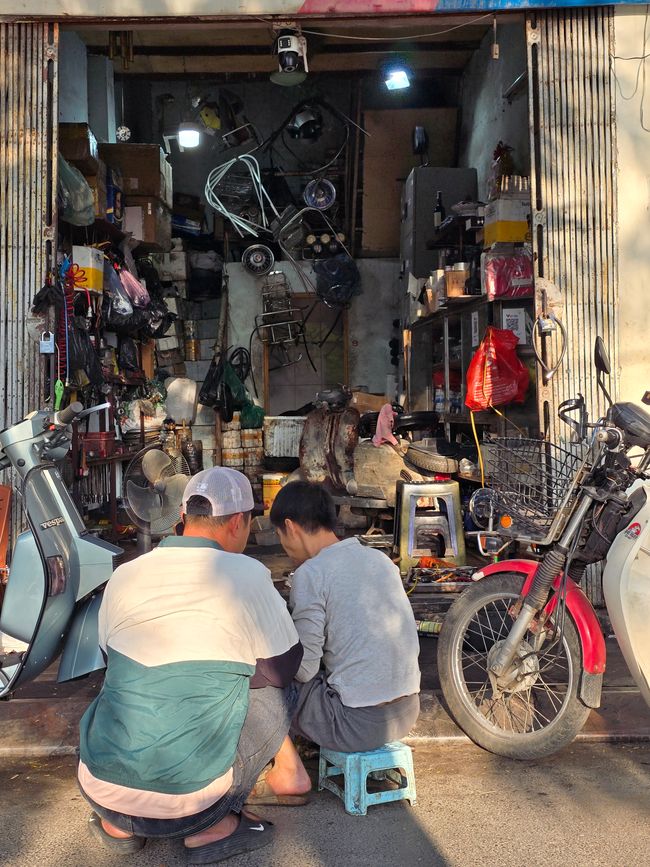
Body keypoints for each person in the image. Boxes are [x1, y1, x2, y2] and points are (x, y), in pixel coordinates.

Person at [78, 467, 306, 864]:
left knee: (123, 683)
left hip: (101, 791)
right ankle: (212, 828)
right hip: (194, 805)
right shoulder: (247, 573)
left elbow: (107, 657)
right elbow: (283, 668)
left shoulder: (126, 574)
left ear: (183, 520)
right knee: (275, 688)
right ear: (239, 522)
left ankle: (120, 825)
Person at [269, 480, 421, 757]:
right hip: (407, 712)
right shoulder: (380, 559)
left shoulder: (311, 574)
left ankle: (285, 766)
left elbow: (304, 670)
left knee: (266, 676)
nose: (283, 545)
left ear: (290, 527)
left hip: (356, 725)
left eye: (280, 534)